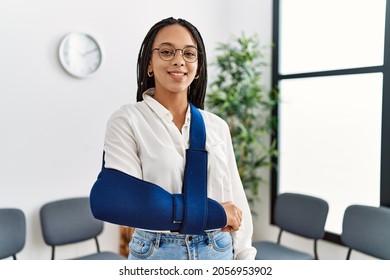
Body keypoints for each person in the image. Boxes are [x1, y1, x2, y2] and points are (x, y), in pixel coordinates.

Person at [90, 17, 256, 260]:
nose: (179, 60)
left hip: (217, 249)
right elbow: (120, 201)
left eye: (189, 54)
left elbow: (236, 198)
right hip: (156, 251)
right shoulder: (128, 120)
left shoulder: (217, 126)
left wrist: (245, 257)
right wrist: (215, 213)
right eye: (167, 51)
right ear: (149, 63)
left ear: (198, 67)